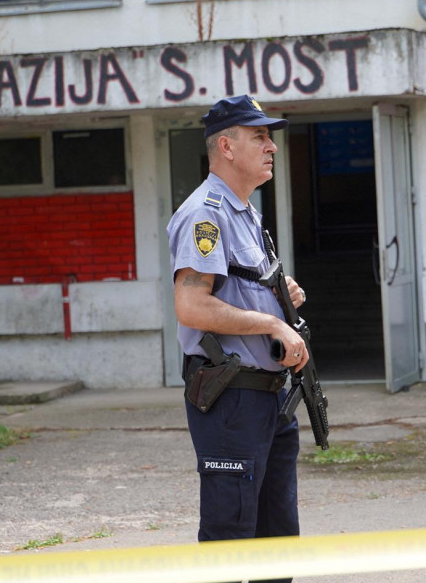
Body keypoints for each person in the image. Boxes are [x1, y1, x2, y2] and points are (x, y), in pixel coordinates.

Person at [167, 94, 309, 583]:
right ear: (226, 146)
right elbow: (191, 304)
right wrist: (271, 325)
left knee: (276, 536)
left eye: (269, 136)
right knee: (231, 535)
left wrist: (279, 298)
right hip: (232, 399)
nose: (271, 146)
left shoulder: (245, 212)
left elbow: (236, 287)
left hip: (267, 399)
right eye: (260, 136)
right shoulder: (205, 215)